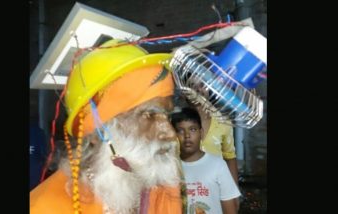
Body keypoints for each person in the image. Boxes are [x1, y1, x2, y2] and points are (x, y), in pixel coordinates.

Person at [30, 39, 184, 213]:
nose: (171, 133)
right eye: (149, 116)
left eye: (168, 116)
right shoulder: (43, 207)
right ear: (98, 132)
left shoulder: (157, 183)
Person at [171, 107, 240, 214]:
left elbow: (230, 210)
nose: (187, 136)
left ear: (201, 133)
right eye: (180, 131)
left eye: (193, 129)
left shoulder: (218, 166)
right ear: (173, 135)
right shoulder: (170, 169)